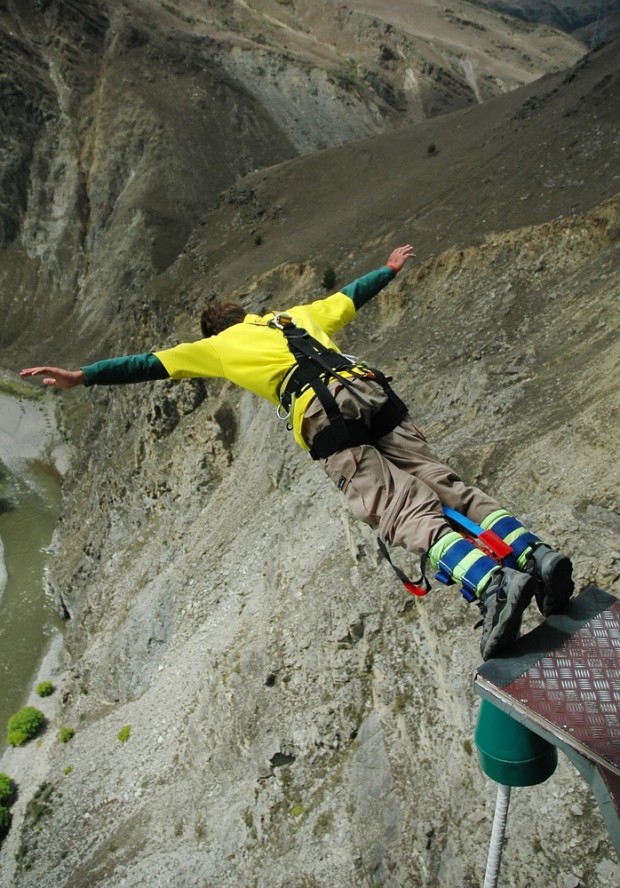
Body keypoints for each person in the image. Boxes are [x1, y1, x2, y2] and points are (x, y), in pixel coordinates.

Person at [20, 244, 574, 660]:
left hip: (321, 413)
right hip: (370, 389)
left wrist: (79, 376)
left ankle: (491, 583)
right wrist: (389, 269)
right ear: (246, 311)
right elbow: (351, 296)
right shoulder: (296, 316)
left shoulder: (217, 346)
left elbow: (147, 363)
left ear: (215, 329)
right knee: (446, 484)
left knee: (401, 509)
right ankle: (535, 556)